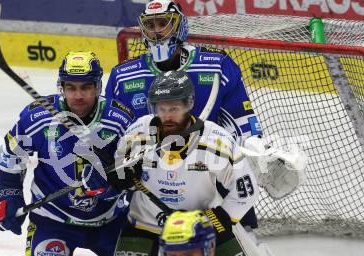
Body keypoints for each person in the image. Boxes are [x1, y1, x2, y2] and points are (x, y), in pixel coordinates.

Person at [105, 0, 261, 229]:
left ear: (179, 27)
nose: (156, 31)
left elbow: (241, 122)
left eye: (163, 23)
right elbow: (113, 134)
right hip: (154, 183)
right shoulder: (123, 76)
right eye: (151, 24)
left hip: (208, 179)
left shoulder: (217, 65)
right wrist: (117, 164)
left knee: (237, 252)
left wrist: (253, 152)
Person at [0, 51, 134, 256]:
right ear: (62, 87)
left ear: (98, 86)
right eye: (71, 87)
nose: (78, 95)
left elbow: (137, 173)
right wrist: (7, 196)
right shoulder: (36, 117)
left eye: (86, 87)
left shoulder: (120, 119)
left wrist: (112, 183)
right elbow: (12, 159)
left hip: (111, 221)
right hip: (53, 221)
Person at [104, 70, 259, 256]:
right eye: (161, 109)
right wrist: (120, 177)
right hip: (145, 228)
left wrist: (220, 219)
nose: (167, 116)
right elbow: (119, 174)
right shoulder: (138, 133)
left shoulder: (216, 141)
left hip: (200, 232)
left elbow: (246, 190)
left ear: (189, 105)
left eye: (174, 108)